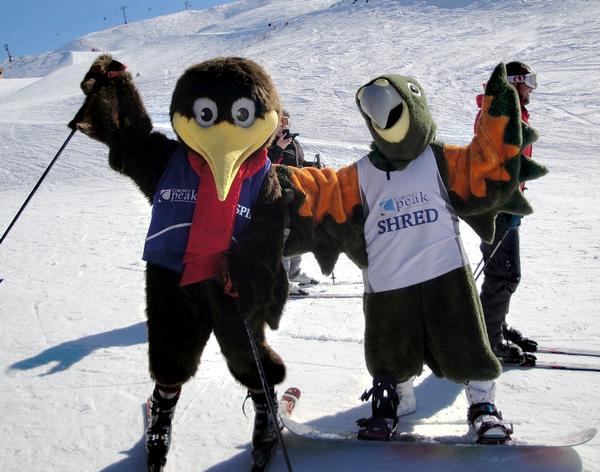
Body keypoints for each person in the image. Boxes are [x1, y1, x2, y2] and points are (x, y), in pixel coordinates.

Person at [475, 61, 539, 364]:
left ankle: (494, 326)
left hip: (505, 206)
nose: (532, 88)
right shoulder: (500, 114)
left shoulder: (510, 111)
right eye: (528, 81)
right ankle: (489, 340)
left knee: (502, 273)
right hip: (498, 208)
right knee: (504, 274)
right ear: (515, 82)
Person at [268, 110, 320, 294]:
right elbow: (263, 165)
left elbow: (296, 164)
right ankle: (281, 279)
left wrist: (312, 167)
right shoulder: (267, 142)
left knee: (299, 232)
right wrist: (277, 149)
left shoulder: (292, 141)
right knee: (284, 234)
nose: (284, 124)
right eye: (280, 120)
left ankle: (294, 272)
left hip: (296, 194)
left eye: (286, 120)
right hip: (278, 196)